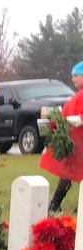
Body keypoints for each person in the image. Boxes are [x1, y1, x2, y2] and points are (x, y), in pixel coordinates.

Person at [40, 61, 83, 213]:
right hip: (74, 144)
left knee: (69, 173)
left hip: (80, 142)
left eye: (76, 76)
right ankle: (55, 204)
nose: (73, 79)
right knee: (67, 173)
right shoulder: (76, 96)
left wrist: (75, 120)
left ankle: (56, 204)